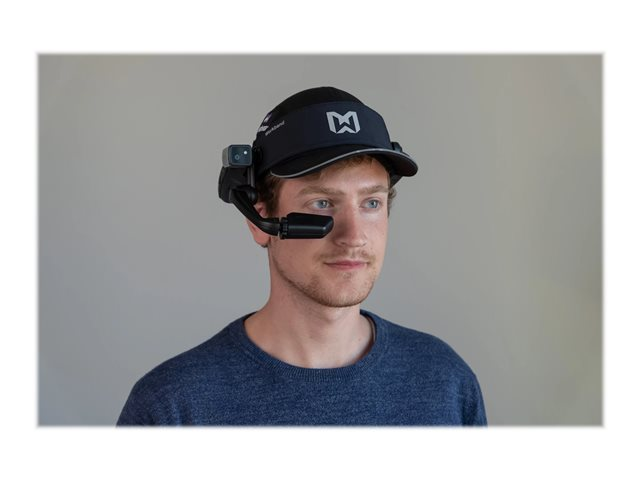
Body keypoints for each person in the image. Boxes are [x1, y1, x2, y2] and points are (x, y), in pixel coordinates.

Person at [117, 86, 487, 426]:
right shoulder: (173, 408)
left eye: (371, 203)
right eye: (322, 203)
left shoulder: (446, 383)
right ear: (260, 222)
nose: (354, 236)